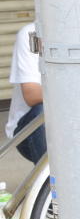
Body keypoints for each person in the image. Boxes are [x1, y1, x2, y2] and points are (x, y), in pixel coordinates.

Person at [5, 23, 44, 163]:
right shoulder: (32, 33)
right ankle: (50, 183)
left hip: (76, 124)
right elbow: (32, 95)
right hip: (29, 130)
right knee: (44, 112)